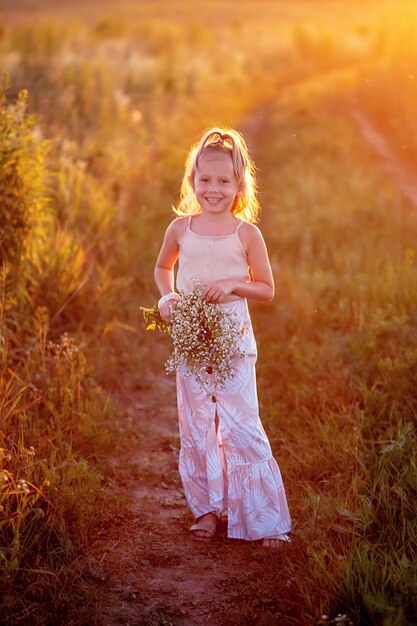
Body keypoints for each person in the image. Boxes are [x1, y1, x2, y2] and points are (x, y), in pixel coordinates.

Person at [154, 127, 291, 548]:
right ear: (192, 181)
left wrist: (234, 285)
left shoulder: (247, 234)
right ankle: (209, 512)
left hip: (232, 339)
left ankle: (265, 520)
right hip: (194, 339)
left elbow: (266, 288)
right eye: (205, 180)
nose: (213, 189)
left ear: (239, 186)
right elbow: (163, 269)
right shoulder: (181, 228)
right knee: (197, 425)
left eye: (223, 182)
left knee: (240, 424)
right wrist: (169, 297)